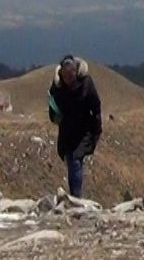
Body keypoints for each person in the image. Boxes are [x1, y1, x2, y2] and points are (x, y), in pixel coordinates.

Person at [47, 55, 102, 198]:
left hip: (84, 129)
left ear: (75, 71)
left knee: (76, 160)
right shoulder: (58, 87)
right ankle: (74, 196)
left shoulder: (86, 83)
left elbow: (96, 106)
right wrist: (55, 117)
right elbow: (52, 107)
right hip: (67, 131)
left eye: (71, 73)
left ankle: (76, 196)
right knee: (71, 161)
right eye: (65, 75)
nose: (68, 77)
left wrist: (97, 130)